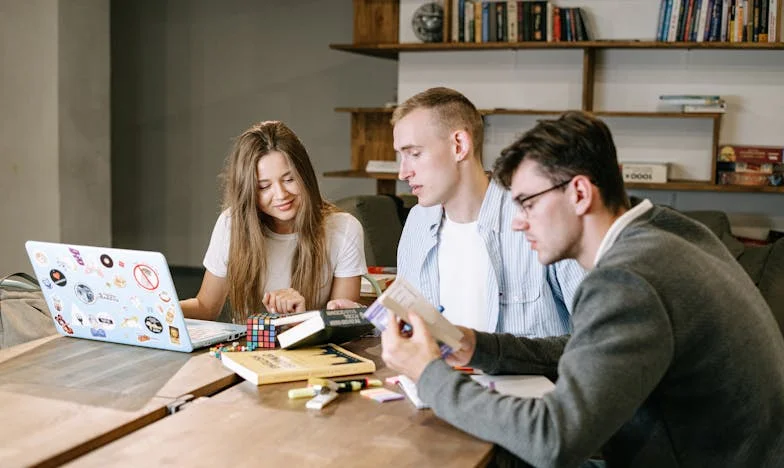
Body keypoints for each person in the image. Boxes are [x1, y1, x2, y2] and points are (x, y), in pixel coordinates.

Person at [381, 111, 784, 467]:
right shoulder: (669, 231)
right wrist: (481, 346)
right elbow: (589, 347)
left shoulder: (627, 280)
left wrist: (429, 374)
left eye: (527, 203)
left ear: (578, 194)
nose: (517, 223)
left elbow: (552, 441)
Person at [393, 87, 584, 336]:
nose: (403, 172)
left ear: (459, 146)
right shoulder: (418, 219)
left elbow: (599, 335)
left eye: (415, 154)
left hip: (531, 375)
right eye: (401, 157)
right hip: (438, 373)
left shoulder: (541, 216)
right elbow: (408, 324)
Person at [181, 121, 367, 323]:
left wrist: (301, 319)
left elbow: (342, 323)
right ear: (249, 191)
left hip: (312, 352)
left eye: (289, 180)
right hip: (246, 351)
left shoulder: (344, 228)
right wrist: (159, 309)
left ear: (305, 176)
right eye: (263, 187)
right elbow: (206, 308)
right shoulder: (231, 224)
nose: (280, 195)